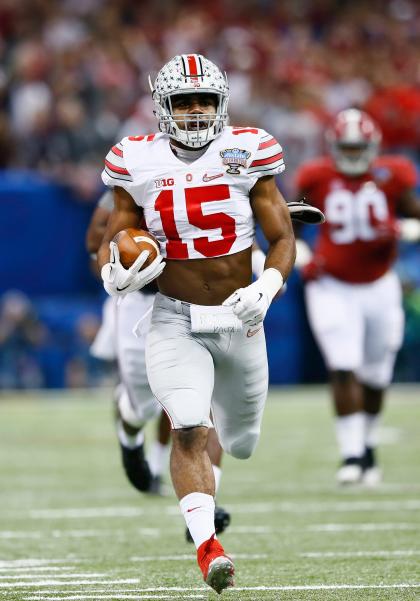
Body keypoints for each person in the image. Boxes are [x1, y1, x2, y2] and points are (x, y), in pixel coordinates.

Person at [97, 53, 297, 594]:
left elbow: (282, 238)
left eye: (203, 100)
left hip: (239, 317)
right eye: (183, 100)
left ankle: (210, 500)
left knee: (242, 438)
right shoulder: (134, 159)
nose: (193, 110)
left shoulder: (249, 149)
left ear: (221, 103)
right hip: (173, 317)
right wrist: (113, 273)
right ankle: (208, 546)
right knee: (188, 425)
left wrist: (268, 286)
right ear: (162, 105)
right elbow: (115, 232)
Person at [87, 190, 233, 531]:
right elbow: (96, 239)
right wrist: (121, 263)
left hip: (198, 298)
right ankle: (130, 434)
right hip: (141, 302)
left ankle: (204, 507)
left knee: (204, 403)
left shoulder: (213, 175)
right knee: (142, 406)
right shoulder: (135, 181)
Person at [295, 108, 420, 486]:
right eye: (346, 147)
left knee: (376, 375)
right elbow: (287, 224)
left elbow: (415, 215)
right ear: (333, 146)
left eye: (358, 147)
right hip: (332, 285)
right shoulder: (315, 177)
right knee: (343, 365)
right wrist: (302, 258)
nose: (352, 154)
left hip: (379, 284)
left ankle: (367, 447)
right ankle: (351, 454)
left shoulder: (394, 175)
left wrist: (400, 227)